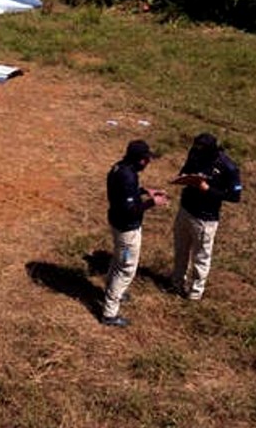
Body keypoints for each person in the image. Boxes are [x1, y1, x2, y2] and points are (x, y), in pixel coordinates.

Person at [102, 140, 168, 327]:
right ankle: (109, 313)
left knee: (119, 260)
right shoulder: (128, 176)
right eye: (147, 159)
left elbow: (122, 194)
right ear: (141, 160)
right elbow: (130, 210)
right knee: (126, 268)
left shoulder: (119, 168)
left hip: (116, 223)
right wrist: (152, 202)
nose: (148, 162)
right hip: (127, 230)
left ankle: (113, 291)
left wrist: (144, 191)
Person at [171, 133, 242, 300]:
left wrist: (207, 189)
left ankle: (195, 293)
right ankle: (176, 283)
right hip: (186, 209)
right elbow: (185, 169)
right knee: (180, 250)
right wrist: (186, 178)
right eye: (196, 149)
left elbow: (235, 196)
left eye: (202, 151)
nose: (197, 153)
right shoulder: (195, 153)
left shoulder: (228, 167)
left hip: (205, 218)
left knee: (201, 257)